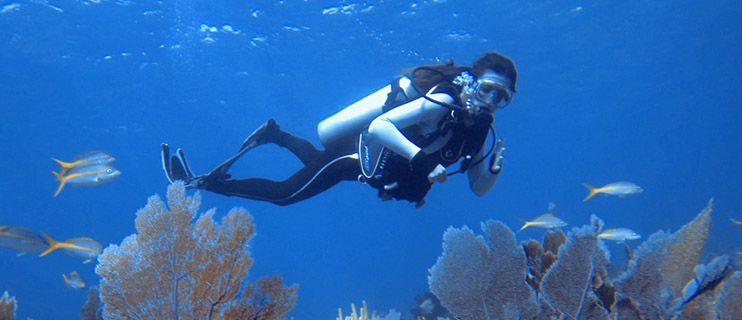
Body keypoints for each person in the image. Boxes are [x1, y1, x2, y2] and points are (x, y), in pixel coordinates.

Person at [161, 52, 517, 208]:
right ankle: (204, 182)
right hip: (360, 154)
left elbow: (479, 189)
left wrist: (495, 170)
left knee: (318, 160)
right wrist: (421, 161)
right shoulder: (442, 100)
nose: (490, 101)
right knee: (286, 194)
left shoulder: (479, 133)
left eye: (501, 97)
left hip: (373, 168)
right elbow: (381, 125)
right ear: (471, 83)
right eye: (487, 89)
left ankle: (276, 134)